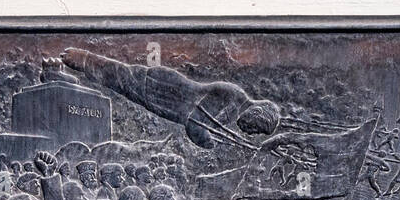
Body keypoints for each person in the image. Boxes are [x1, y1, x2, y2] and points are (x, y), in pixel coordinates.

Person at [62, 48, 281, 150]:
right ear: (257, 115)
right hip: (165, 90)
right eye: (256, 129)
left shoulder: (234, 105)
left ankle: (83, 60)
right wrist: (208, 143)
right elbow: (195, 124)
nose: (251, 133)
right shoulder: (232, 98)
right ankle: (82, 59)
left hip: (165, 96)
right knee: (122, 78)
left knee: (123, 79)